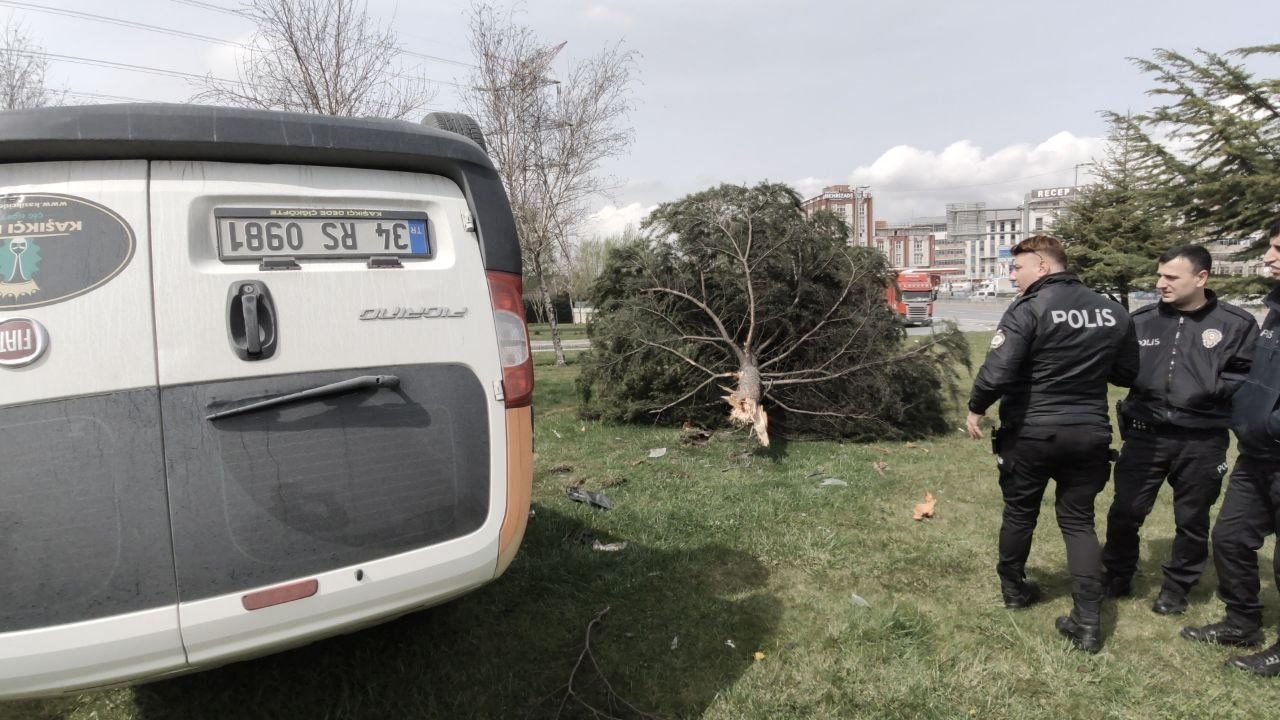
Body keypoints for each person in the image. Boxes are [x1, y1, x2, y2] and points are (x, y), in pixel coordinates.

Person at [967, 234, 1138, 654]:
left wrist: (975, 409)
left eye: (1017, 267)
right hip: (1089, 433)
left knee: (1020, 511)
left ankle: (1013, 589)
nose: (1012, 274)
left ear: (1043, 267)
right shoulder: (1112, 310)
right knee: (1079, 520)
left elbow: (998, 371)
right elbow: (1128, 373)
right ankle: (1087, 622)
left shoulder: (1029, 308)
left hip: (1032, 432)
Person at [1101, 246, 1259, 615]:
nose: (1160, 284)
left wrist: (1207, 391)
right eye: (1159, 276)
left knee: (1191, 518)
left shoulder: (1236, 324)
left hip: (1202, 439)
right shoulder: (1141, 321)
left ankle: (1177, 586)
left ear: (1201, 277)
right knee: (1124, 511)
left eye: (1171, 277)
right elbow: (1119, 369)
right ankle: (1117, 574)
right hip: (1145, 434)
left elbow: (1245, 376)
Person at [1182, 220, 1280, 675]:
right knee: (1231, 538)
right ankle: (1242, 622)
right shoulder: (1276, 308)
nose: (1268, 258)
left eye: (1278, 249)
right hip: (1257, 453)